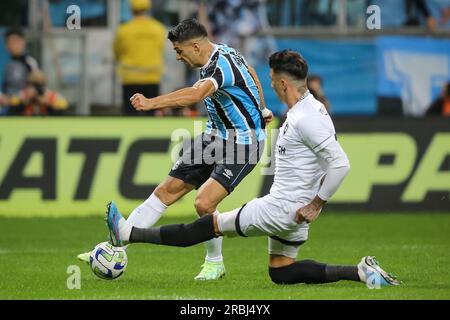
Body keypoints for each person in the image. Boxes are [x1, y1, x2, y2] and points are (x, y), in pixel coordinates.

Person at [105, 50, 401, 287]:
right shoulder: (306, 109)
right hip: (295, 212)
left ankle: (128, 233)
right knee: (282, 272)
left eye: (272, 79)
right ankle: (360, 272)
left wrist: (316, 203)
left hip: (281, 208)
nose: (269, 83)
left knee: (205, 226)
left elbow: (340, 164)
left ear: (283, 83)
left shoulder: (305, 118)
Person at [79, 18, 273, 280]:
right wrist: (261, 108)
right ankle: (112, 249)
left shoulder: (219, 66)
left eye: (179, 51)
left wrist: (151, 103)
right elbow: (250, 71)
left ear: (195, 46)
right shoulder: (225, 52)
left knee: (204, 203)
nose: (178, 57)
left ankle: (215, 262)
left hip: (244, 143)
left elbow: (195, 95)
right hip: (214, 136)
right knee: (165, 191)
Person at [113, 0, 166, 116]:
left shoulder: (123, 30)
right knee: (151, 115)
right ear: (147, 8)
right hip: (152, 78)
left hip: (130, 79)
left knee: (130, 115)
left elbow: (117, 52)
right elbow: (161, 49)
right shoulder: (158, 28)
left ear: (131, 9)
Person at [1, 27, 39, 115]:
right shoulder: (8, 66)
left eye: (16, 42)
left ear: (23, 42)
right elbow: (5, 89)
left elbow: (35, 88)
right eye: (10, 43)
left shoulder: (29, 62)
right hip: (9, 108)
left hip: (26, 108)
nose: (14, 45)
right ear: (7, 46)